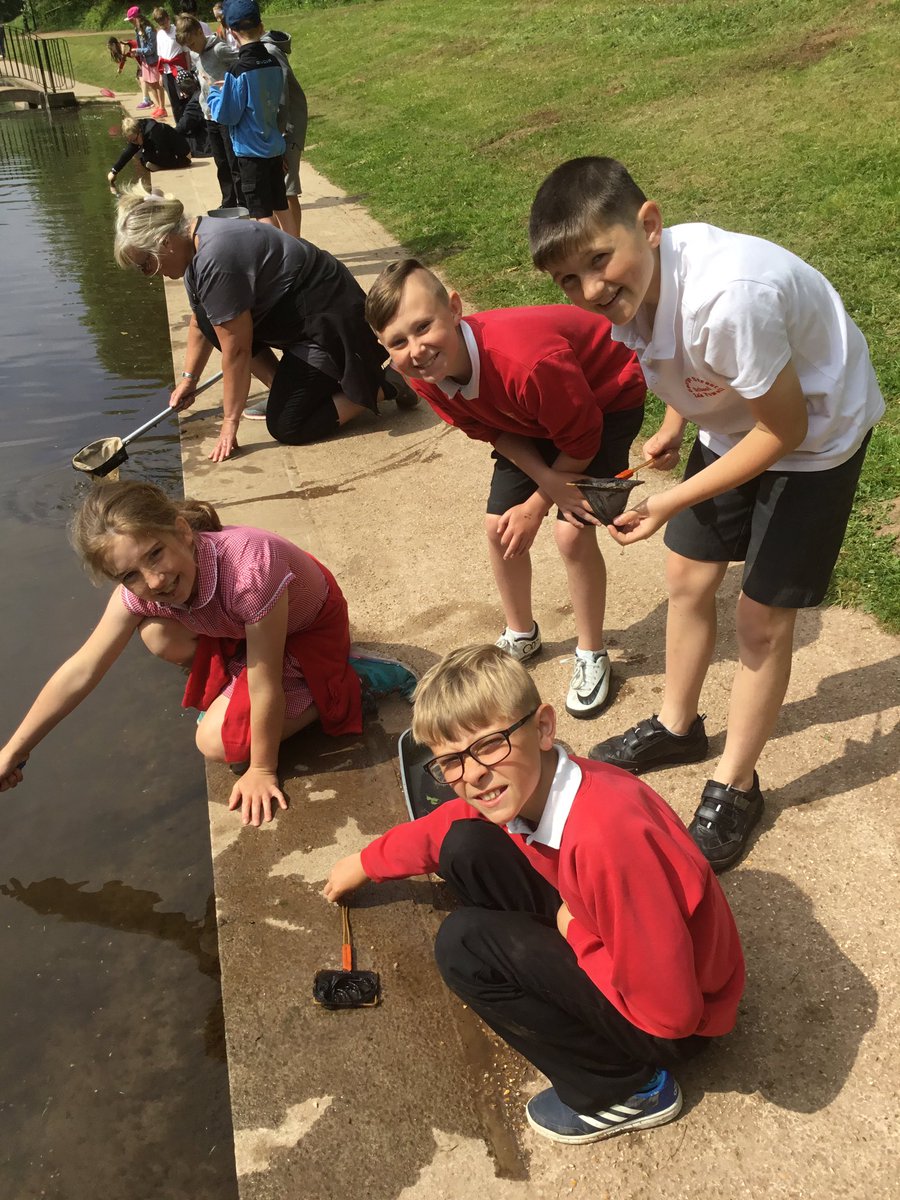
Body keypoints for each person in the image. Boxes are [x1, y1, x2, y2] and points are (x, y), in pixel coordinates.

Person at [529, 156, 885, 871]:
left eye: (599, 261)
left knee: (760, 620)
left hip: (814, 436)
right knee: (688, 581)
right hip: (736, 425)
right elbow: (682, 358)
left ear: (650, 225)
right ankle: (678, 725)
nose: (591, 289)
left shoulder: (729, 298)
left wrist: (668, 501)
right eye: (570, 278)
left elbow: (781, 431)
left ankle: (737, 784)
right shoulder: (636, 289)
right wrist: (672, 428)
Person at [325, 644, 744, 1144]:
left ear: (544, 727)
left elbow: (672, 1014)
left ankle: (625, 1089)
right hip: (626, 948)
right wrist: (367, 862)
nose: (473, 774)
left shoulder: (606, 841)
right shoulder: (545, 782)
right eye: (451, 762)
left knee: (464, 946)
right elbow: (450, 824)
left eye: (490, 744)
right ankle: (558, 963)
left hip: (676, 1019)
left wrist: (576, 932)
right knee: (464, 844)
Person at [366, 260, 646, 718]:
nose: (415, 349)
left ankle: (591, 651)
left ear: (454, 309)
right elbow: (491, 429)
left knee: (570, 533)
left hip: (601, 401)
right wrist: (547, 483)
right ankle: (522, 633)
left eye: (423, 327)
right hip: (526, 416)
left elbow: (584, 436)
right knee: (500, 526)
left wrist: (540, 503)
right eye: (397, 341)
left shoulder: (529, 362)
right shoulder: (426, 375)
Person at [0, 481, 363, 827]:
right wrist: (14, 751)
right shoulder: (146, 588)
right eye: (130, 575)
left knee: (216, 742)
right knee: (157, 634)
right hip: (246, 626)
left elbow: (265, 683)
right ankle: (238, 685)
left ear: (183, 531)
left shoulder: (249, 572)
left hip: (307, 632)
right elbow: (82, 669)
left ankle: (340, 687)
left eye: (155, 554)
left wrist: (262, 770)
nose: (154, 581)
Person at [113, 186, 417, 463]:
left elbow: (236, 350)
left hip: (327, 319)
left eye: (146, 265)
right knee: (209, 318)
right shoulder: (194, 248)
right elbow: (200, 323)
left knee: (288, 425)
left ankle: (385, 384)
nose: (148, 274)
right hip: (292, 315)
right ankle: (288, 389)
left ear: (165, 242)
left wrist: (230, 424)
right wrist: (188, 380)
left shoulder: (214, 257)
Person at [207, 0, 295, 233]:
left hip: (251, 153)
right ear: (261, 26)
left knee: (261, 212)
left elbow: (227, 115)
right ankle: (297, 250)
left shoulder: (238, 71)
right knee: (280, 204)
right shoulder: (274, 62)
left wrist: (215, 92)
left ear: (232, 33)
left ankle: (280, 260)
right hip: (274, 147)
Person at [175, 13, 244, 210]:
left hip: (226, 113)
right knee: (220, 160)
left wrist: (231, 85)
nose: (191, 48)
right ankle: (228, 201)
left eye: (192, 43)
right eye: (187, 46)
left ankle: (242, 201)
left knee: (233, 159)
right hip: (209, 113)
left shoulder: (220, 49)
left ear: (199, 32)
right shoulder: (196, 54)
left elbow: (241, 64)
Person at [261, 28, 308, 237]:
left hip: (284, 132)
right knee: (276, 191)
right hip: (276, 132)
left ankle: (296, 247)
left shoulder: (269, 52)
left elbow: (282, 96)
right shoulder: (262, 50)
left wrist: (278, 137)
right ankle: (288, 245)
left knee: (287, 191)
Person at [107, 115, 190, 188]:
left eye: (135, 140)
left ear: (139, 132)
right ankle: (160, 165)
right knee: (144, 159)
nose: (134, 143)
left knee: (145, 158)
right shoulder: (138, 131)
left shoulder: (155, 132)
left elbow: (163, 153)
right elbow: (128, 152)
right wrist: (114, 171)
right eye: (131, 141)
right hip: (168, 152)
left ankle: (162, 166)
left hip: (182, 156)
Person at [125, 5, 166, 115]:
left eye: (131, 20)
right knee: (150, 84)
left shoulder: (149, 30)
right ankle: (158, 106)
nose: (130, 23)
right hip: (145, 61)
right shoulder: (137, 29)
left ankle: (162, 108)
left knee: (157, 85)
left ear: (136, 19)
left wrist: (137, 50)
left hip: (152, 60)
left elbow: (151, 49)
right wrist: (136, 52)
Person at [152, 7, 190, 121]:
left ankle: (189, 124)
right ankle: (179, 125)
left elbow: (186, 52)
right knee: (174, 101)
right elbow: (160, 55)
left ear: (168, 18)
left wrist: (188, 70)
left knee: (184, 97)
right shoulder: (159, 34)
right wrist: (160, 75)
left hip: (179, 69)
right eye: (160, 24)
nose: (163, 26)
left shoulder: (177, 31)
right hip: (166, 71)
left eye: (164, 22)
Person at [174, 68, 212, 158]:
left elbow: (184, 125)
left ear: (184, 93)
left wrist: (170, 134)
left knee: (177, 140)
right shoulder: (201, 94)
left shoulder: (194, 104)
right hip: (208, 133)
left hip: (205, 142)